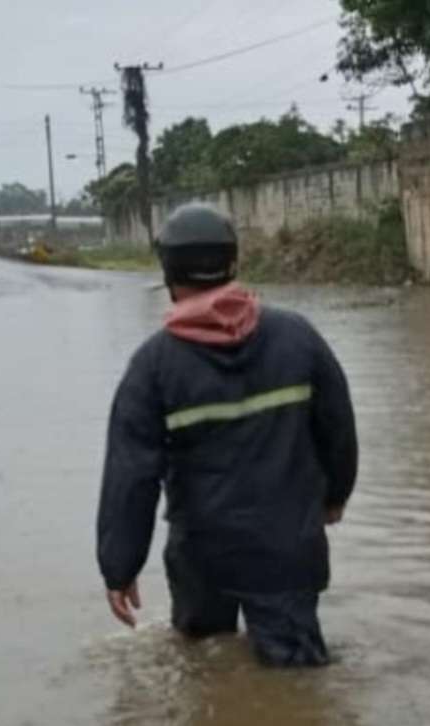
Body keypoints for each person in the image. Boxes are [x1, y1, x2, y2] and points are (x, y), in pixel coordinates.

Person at [97, 204, 358, 667]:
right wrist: (335, 496)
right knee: (296, 679)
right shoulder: (298, 337)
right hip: (288, 546)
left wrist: (120, 566)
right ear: (233, 262)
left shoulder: (153, 366)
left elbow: (131, 476)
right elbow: (338, 427)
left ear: (168, 271)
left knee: (205, 671)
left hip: (202, 554)